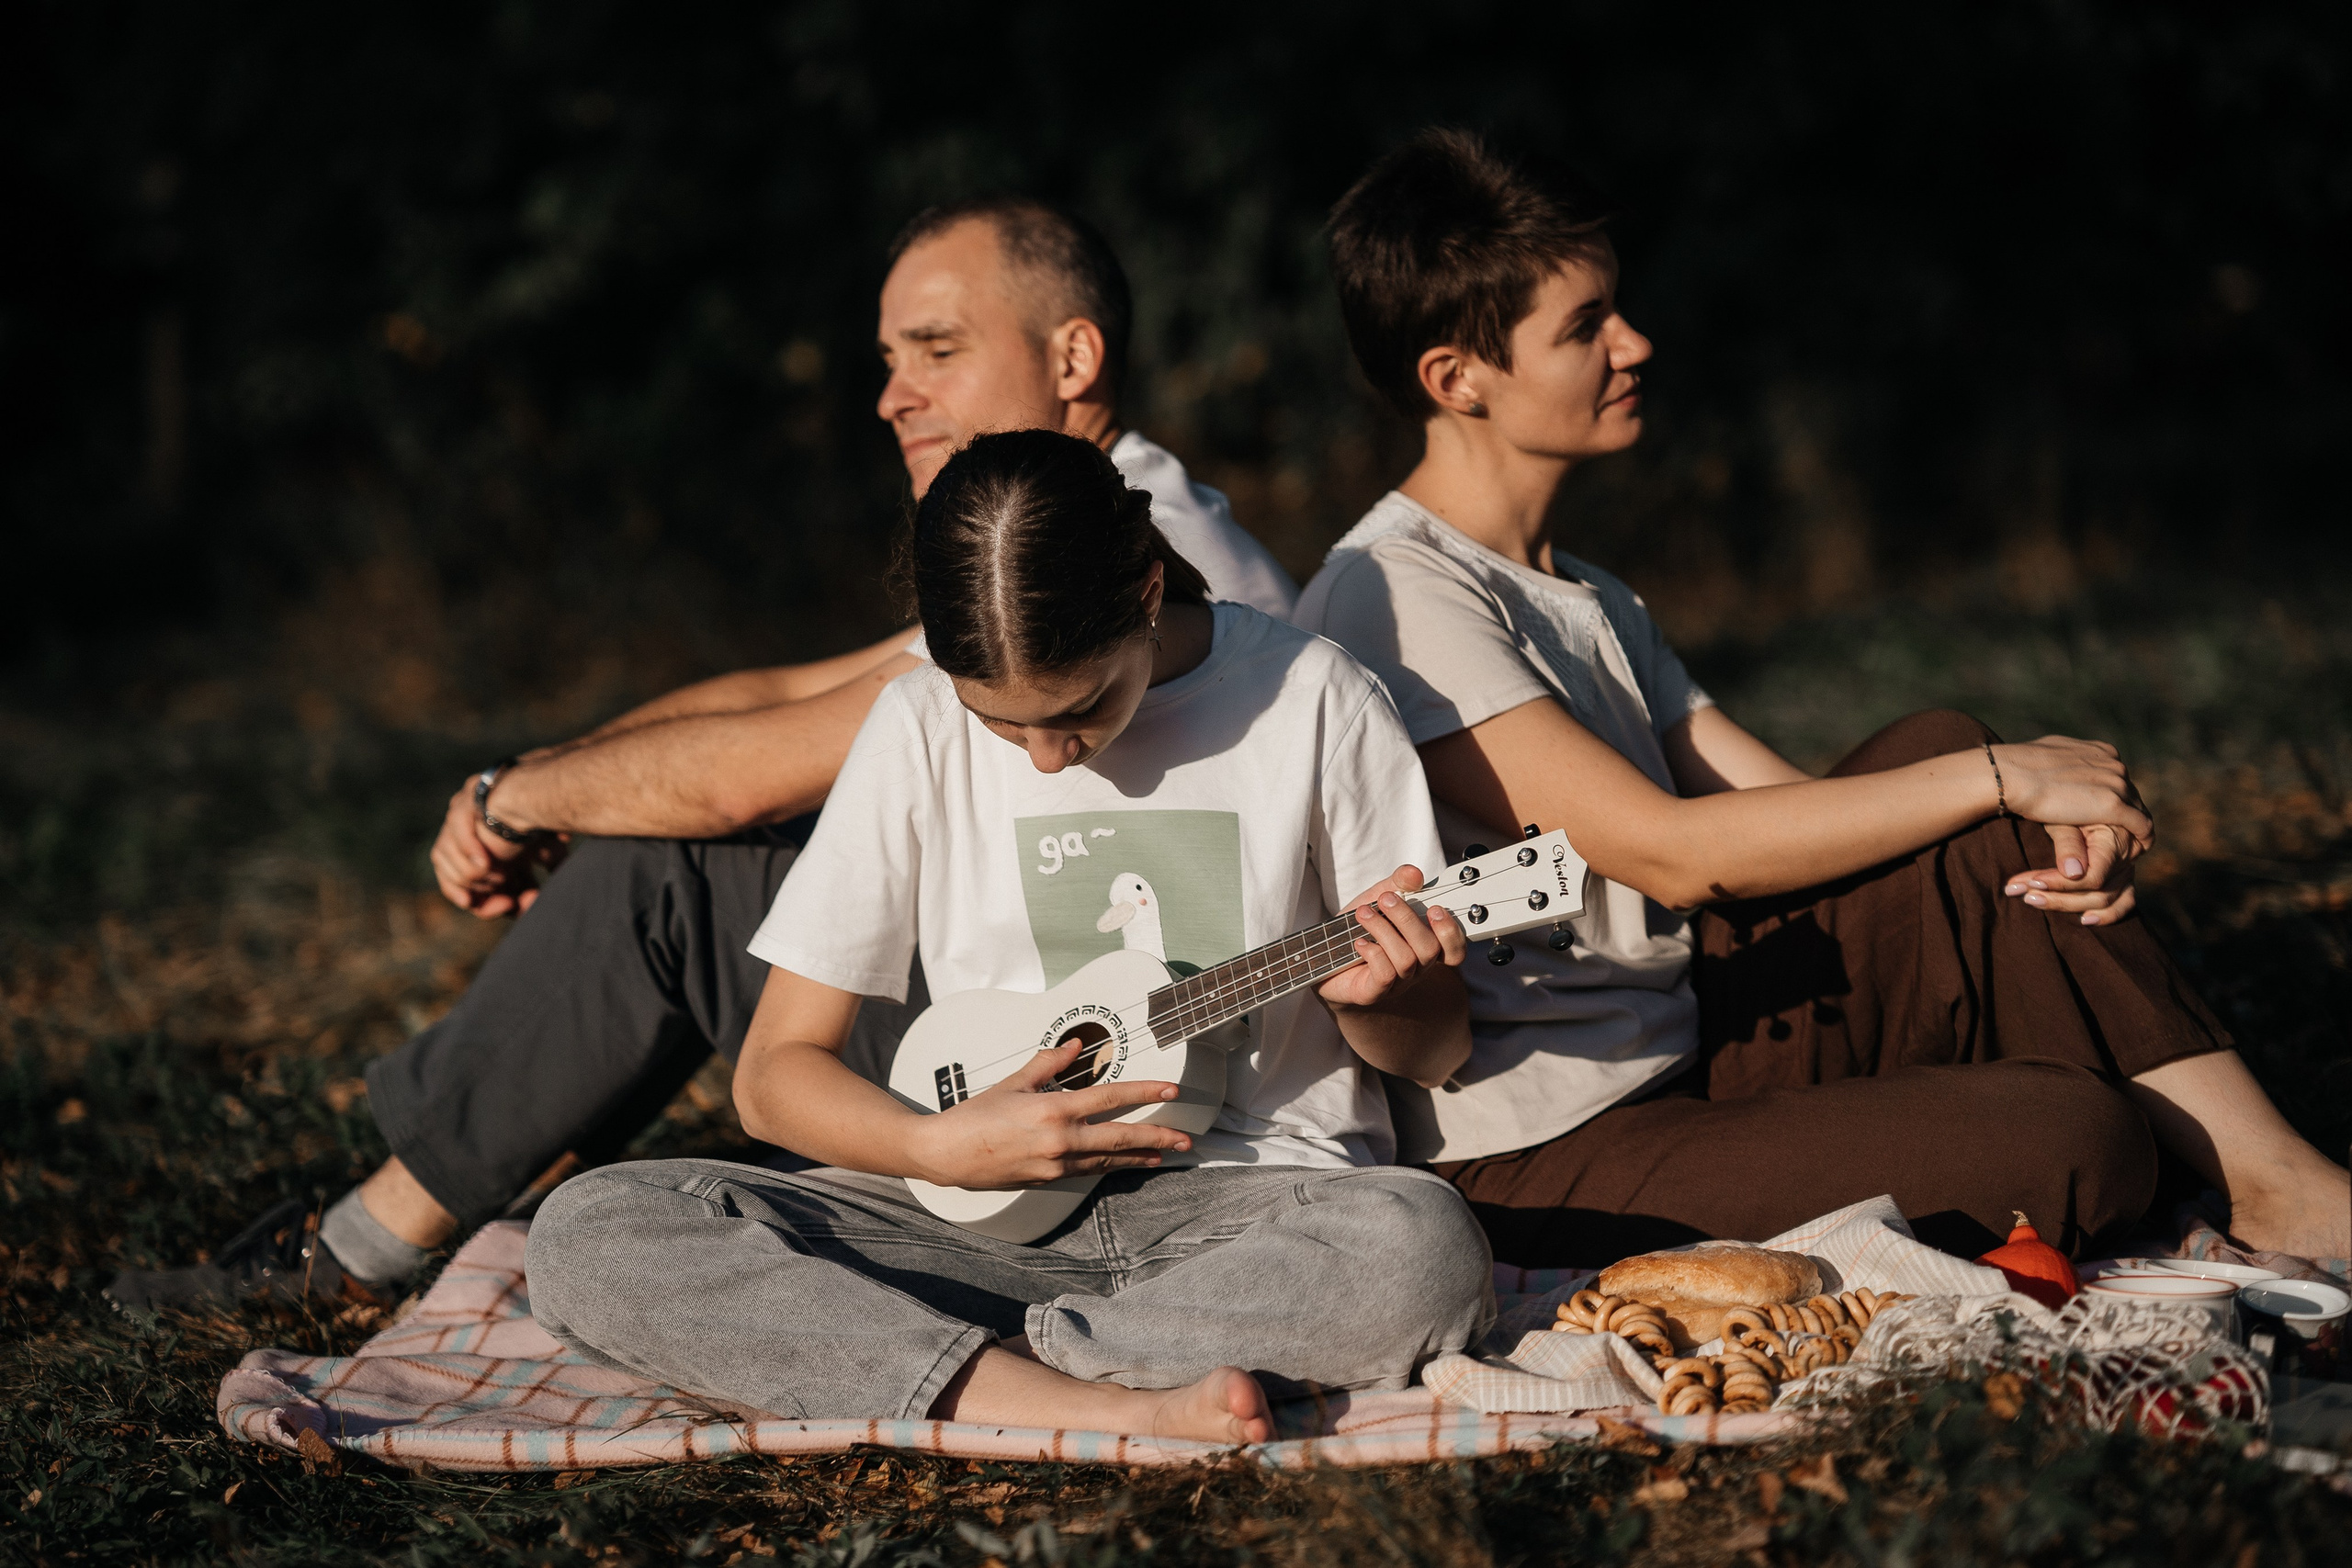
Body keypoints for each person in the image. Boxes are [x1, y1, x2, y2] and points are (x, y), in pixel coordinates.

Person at [107, 197, 1299, 1314]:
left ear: (1073, 358)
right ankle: (449, 1188)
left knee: (676, 868)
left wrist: (518, 795)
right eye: (888, 360)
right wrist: (555, 772)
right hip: (1073, 1015)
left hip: (1125, 1052)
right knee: (681, 833)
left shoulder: (1113, 554)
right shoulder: (1084, 514)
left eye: (936, 350)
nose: (893, 395)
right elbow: (787, 691)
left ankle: (357, 1248)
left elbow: (747, 771)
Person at [1290, 128, 2351, 1269]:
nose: (1635, 343)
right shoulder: (1394, 596)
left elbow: (1804, 815)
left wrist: (2015, 828)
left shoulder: (1579, 590)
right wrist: (1997, 778)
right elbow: (1672, 855)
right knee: (2078, 1136)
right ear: (1457, 378)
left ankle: (2276, 1183)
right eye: (1584, 325)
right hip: (1548, 1154)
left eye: (1618, 306)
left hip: (1696, 1044)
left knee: (1941, 768)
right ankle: (2175, 1162)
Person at [523, 429, 1492, 1442]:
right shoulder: (914, 724)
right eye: (1000, 724)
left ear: (1148, 592)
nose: (1042, 761)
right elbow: (772, 1077)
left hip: (1247, 1221)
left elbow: (1435, 1054)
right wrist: (932, 1147)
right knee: (590, 1230)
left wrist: (1392, 1000)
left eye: (1080, 709)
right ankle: (1094, 1393)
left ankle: (949, 1367)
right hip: (970, 1222)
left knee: (1422, 1247)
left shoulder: (1314, 699)